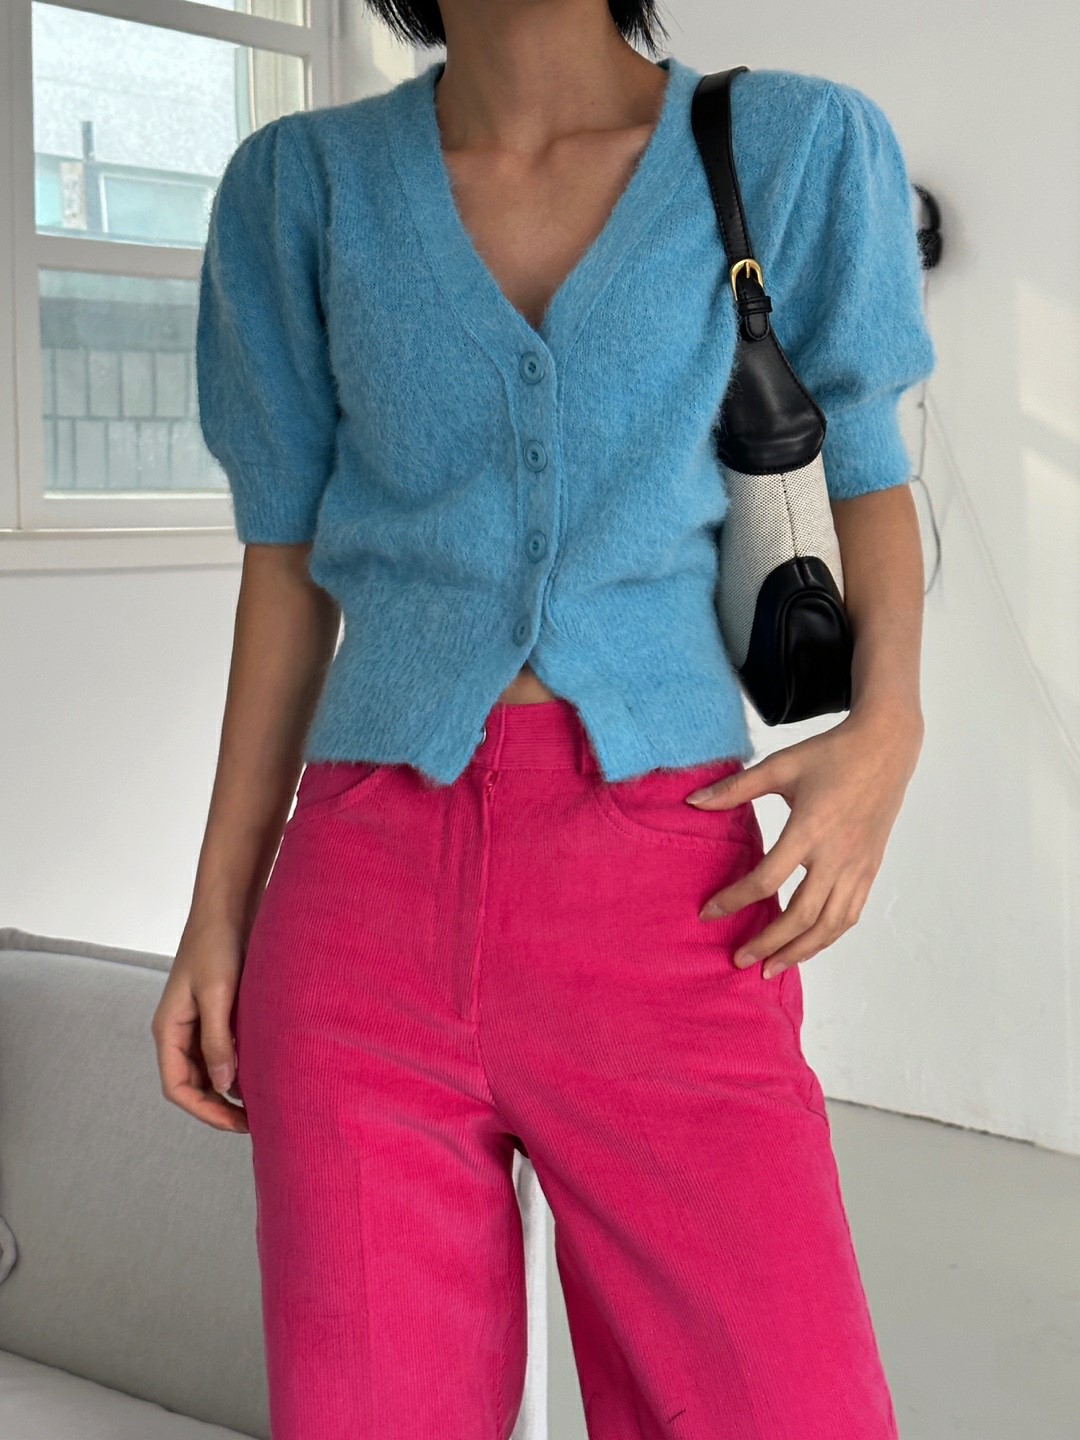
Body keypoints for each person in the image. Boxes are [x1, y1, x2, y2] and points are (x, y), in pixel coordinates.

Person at [151, 1, 934, 1436]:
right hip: (362, 902)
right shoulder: (300, 187)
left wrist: (889, 730)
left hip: (672, 888)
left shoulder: (792, 147)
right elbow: (285, 569)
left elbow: (867, 469)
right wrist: (219, 911)